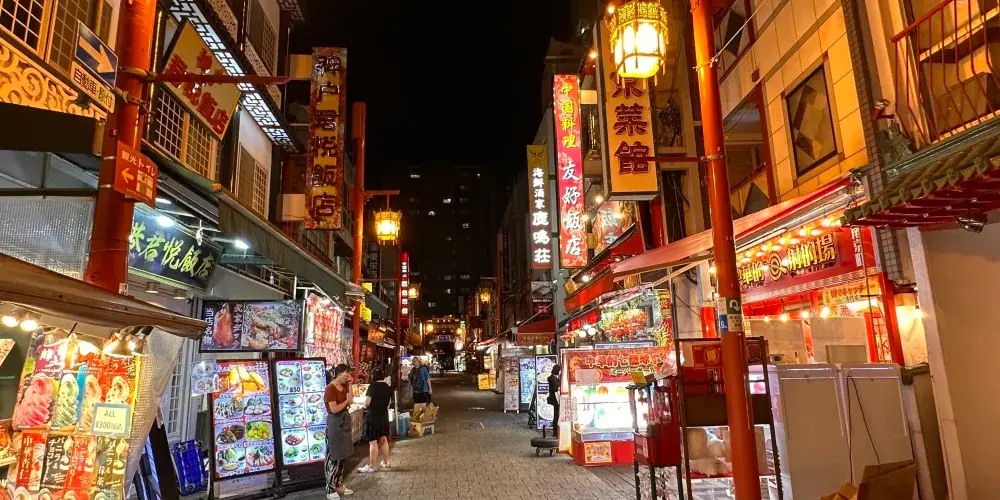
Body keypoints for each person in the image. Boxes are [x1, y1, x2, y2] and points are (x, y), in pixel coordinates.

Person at [324, 364, 354, 499]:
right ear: (340, 373)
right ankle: (330, 488)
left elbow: (351, 400)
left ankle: (339, 484)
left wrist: (351, 385)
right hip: (335, 423)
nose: (348, 376)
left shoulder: (346, 385)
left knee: (342, 455)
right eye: (347, 373)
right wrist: (346, 402)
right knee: (333, 456)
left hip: (344, 421)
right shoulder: (330, 388)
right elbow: (334, 409)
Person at [358, 368, 392, 473]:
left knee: (373, 442)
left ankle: (372, 466)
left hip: (373, 416)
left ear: (373, 376)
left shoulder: (373, 386)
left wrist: (361, 403)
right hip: (384, 415)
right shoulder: (387, 386)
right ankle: (385, 462)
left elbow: (367, 403)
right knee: (383, 440)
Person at [547, 364, 561, 437]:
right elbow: (556, 389)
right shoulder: (554, 379)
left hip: (554, 399)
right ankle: (555, 432)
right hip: (556, 399)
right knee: (556, 415)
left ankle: (555, 432)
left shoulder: (552, 378)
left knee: (556, 414)